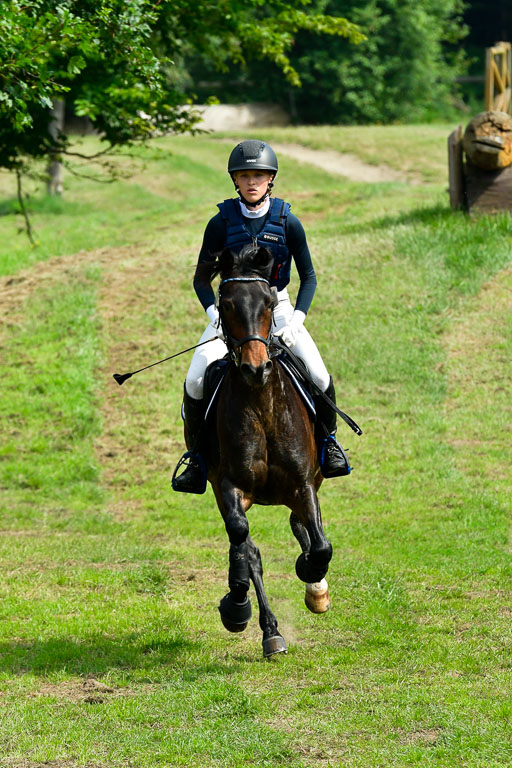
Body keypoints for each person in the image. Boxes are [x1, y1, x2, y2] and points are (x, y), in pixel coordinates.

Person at [172, 139, 349, 493]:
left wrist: (296, 317)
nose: (252, 182)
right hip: (233, 313)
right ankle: (195, 458)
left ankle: (329, 445)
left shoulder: (289, 221)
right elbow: (200, 279)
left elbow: (309, 277)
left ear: (271, 179)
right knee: (194, 381)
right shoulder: (220, 223)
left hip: (278, 308)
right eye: (244, 176)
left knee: (318, 374)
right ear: (234, 181)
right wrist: (214, 315)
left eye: (259, 175)